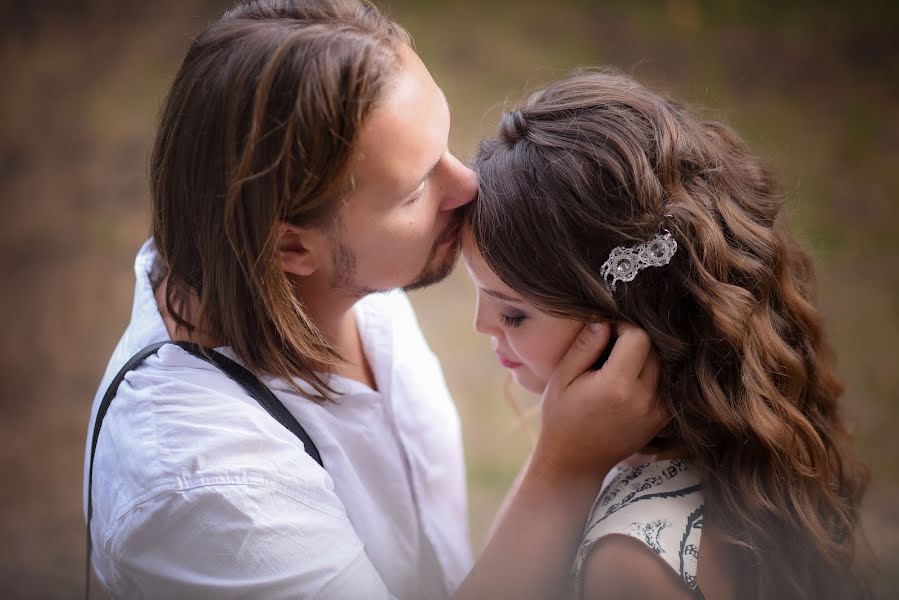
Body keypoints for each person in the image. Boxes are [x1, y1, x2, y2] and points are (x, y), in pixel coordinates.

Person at [83, 2, 667, 598]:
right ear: (291, 247)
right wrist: (566, 467)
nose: (468, 184)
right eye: (416, 189)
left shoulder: (333, 274)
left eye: (445, 144)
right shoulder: (206, 491)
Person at [463, 70, 871, 599]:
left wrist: (564, 467)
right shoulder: (747, 433)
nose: (481, 325)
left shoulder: (630, 564)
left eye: (514, 314)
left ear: (627, 323)